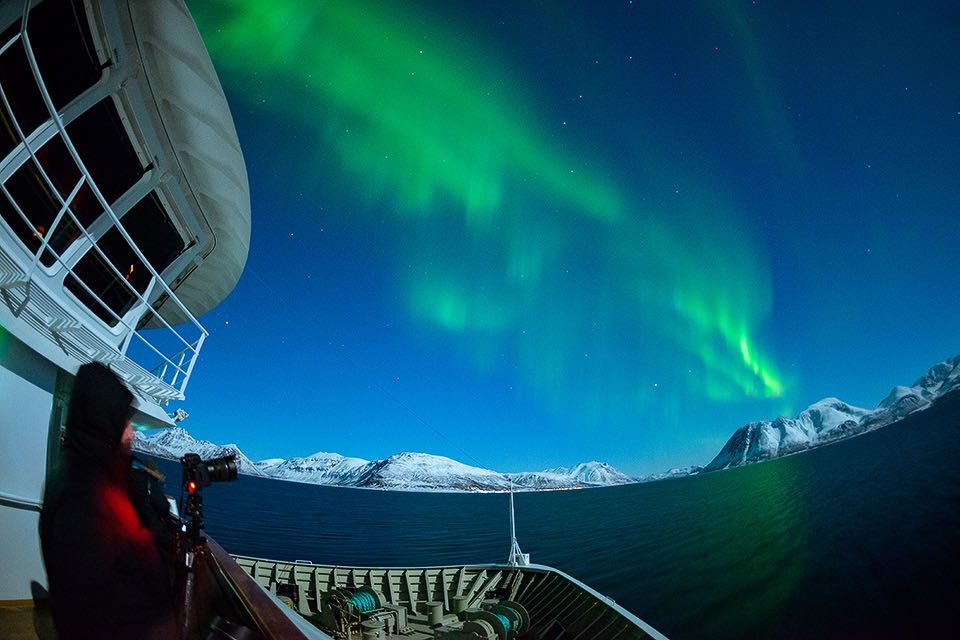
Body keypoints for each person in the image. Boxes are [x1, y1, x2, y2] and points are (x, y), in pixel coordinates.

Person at [40, 362, 177, 639]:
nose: (133, 432)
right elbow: (97, 599)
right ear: (106, 422)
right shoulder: (88, 495)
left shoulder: (86, 474)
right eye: (126, 422)